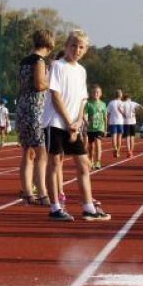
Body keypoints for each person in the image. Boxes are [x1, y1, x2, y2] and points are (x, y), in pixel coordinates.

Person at [42, 30, 110, 222]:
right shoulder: (57, 66)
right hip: (54, 122)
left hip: (72, 125)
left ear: (86, 50)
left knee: (83, 164)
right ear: (66, 46)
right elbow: (55, 96)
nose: (77, 50)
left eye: (81, 47)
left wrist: (78, 121)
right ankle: (55, 207)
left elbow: (81, 99)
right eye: (73, 45)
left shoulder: (81, 71)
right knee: (54, 163)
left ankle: (88, 207)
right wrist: (68, 121)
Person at [17, 29, 54, 205]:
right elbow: (39, 84)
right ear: (49, 45)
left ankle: (27, 192)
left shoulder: (24, 60)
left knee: (27, 152)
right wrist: (51, 82)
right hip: (35, 109)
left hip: (23, 107)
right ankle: (42, 193)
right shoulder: (39, 61)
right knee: (41, 153)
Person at [84, 84, 108, 169]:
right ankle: (91, 161)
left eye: (97, 92)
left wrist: (105, 129)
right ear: (91, 93)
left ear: (100, 94)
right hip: (90, 128)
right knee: (91, 147)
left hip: (99, 128)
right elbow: (84, 114)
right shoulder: (88, 104)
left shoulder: (103, 104)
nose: (96, 94)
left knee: (98, 144)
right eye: (94, 92)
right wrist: (86, 122)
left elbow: (105, 117)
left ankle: (98, 162)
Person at [120, 93, 142, 158]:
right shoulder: (133, 103)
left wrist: (123, 113)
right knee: (132, 138)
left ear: (124, 98)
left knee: (127, 138)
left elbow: (119, 107)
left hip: (126, 122)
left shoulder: (123, 103)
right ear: (129, 98)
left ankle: (128, 151)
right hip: (133, 121)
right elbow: (141, 107)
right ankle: (131, 152)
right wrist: (135, 111)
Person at [106, 89, 125, 157]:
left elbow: (107, 113)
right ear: (120, 95)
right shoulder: (122, 103)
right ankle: (118, 151)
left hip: (112, 121)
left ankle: (115, 148)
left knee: (114, 136)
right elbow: (124, 114)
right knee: (119, 137)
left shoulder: (111, 102)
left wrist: (107, 121)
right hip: (120, 122)